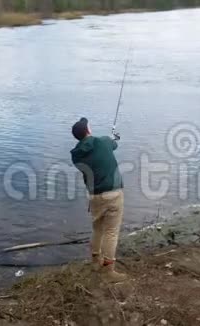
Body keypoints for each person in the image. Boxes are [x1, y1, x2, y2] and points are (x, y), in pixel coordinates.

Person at [70, 117, 128, 283]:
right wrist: (114, 138)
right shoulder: (103, 141)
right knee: (111, 232)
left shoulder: (76, 155)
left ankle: (96, 262)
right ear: (88, 130)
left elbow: (95, 150)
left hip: (94, 196)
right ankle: (108, 271)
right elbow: (114, 144)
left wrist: (109, 140)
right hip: (113, 194)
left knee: (98, 229)